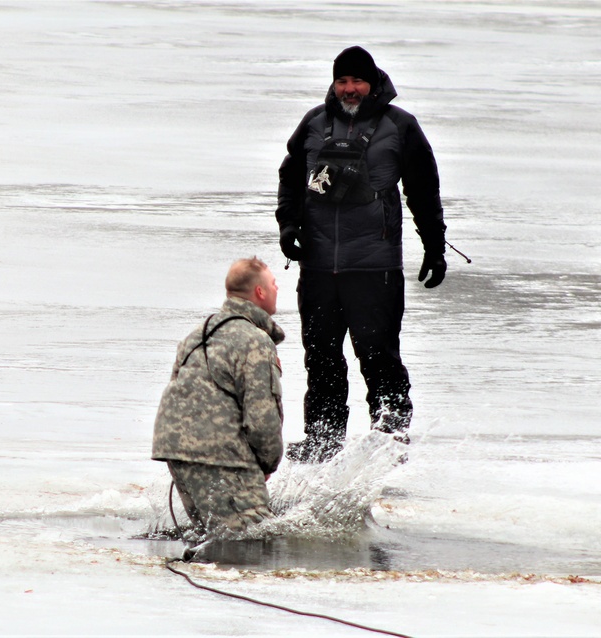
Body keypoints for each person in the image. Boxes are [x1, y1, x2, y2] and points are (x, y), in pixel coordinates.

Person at [275, 45, 447, 463]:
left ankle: (389, 441)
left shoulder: (399, 125)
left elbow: (423, 190)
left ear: (372, 83)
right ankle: (323, 441)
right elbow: (291, 177)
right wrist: (288, 225)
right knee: (321, 357)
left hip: (375, 265)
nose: (349, 89)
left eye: (357, 81)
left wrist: (434, 245)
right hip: (318, 265)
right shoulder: (315, 122)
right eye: (342, 81)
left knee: (379, 355)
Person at [152, 257, 284, 540]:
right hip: (221, 453)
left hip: (175, 449)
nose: (277, 287)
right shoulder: (255, 341)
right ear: (260, 292)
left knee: (212, 539)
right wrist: (267, 463)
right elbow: (262, 417)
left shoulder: (196, 335)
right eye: (273, 283)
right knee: (253, 540)